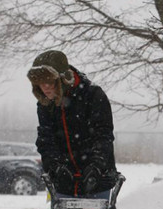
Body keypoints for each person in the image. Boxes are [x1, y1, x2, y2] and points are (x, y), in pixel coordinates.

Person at [26, 50, 118, 199]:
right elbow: (45, 139)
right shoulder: (45, 104)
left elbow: (103, 135)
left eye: (50, 81)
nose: (45, 87)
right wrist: (55, 166)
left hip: (97, 182)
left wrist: (96, 166)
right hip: (64, 185)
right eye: (41, 83)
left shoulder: (93, 95)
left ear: (64, 79)